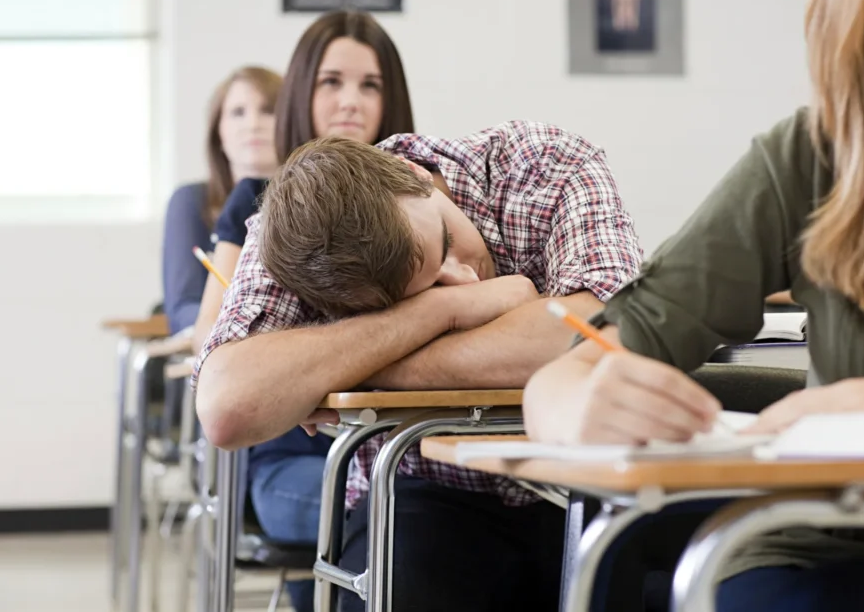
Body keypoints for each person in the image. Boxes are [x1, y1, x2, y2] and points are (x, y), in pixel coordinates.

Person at [525, 0, 864, 610]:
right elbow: (564, 378)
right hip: (818, 553)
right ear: (860, 14)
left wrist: (856, 403)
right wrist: (578, 412)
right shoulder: (805, 162)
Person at [194, 121, 644, 611]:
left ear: (414, 173)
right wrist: (440, 313)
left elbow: (600, 334)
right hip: (422, 490)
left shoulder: (545, 165)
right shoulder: (297, 237)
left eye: (447, 242)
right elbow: (227, 405)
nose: (467, 279)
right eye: (427, 288)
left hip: (582, 480)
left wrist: (351, 363)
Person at [189, 10, 416, 612]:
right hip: (294, 459)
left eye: (370, 85)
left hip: (399, 446)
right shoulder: (257, 200)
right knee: (395, 514)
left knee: (435, 506)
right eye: (331, 82)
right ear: (300, 92)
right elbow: (206, 346)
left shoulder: (418, 197)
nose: (351, 102)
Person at [161, 66, 282, 335]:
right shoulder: (191, 201)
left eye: (268, 110)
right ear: (219, 133)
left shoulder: (315, 205)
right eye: (238, 112)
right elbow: (182, 307)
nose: (253, 124)